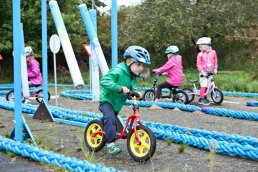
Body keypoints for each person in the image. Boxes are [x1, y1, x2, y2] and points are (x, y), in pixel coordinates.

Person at [99, 45, 151, 155]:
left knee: (110, 121)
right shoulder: (118, 70)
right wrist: (118, 88)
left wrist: (135, 92)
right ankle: (110, 144)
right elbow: (104, 81)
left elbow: (130, 87)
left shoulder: (133, 75)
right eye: (138, 64)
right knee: (110, 118)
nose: (141, 68)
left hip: (117, 103)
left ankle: (104, 129)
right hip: (107, 99)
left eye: (142, 65)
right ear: (128, 61)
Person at [196, 37, 218, 105]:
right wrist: (202, 71)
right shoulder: (200, 54)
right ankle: (201, 98)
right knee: (204, 85)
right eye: (199, 47)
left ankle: (205, 97)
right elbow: (198, 64)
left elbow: (215, 61)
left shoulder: (213, 52)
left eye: (201, 47)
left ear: (206, 46)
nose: (200, 48)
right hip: (203, 73)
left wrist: (215, 68)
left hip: (210, 71)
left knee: (208, 85)